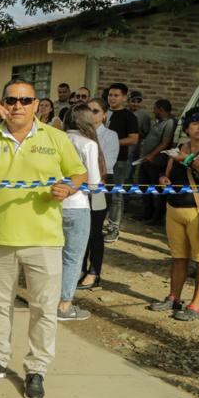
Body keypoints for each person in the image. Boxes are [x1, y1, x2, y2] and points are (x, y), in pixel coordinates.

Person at [0, 78, 87, 398]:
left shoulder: (55, 138)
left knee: (43, 309)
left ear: (37, 105)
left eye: (25, 100)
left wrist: (69, 187)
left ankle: (36, 369)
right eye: (11, 100)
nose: (18, 106)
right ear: (3, 102)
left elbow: (79, 173)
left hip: (44, 239)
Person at [151, 109, 199, 321]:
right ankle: (174, 297)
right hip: (174, 209)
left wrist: (188, 159)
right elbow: (167, 173)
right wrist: (164, 179)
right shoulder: (181, 147)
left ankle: (196, 305)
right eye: (195, 123)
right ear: (186, 128)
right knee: (178, 257)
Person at [58, 104, 104, 321]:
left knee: (52, 256)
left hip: (52, 205)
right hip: (77, 206)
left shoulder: (56, 139)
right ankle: (64, 305)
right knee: (73, 257)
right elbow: (94, 183)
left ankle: (48, 300)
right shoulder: (89, 144)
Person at [78, 98, 118, 290]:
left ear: (104, 115)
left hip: (101, 184)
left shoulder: (110, 135)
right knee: (81, 229)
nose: (91, 114)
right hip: (79, 187)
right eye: (88, 110)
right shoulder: (80, 135)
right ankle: (80, 268)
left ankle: (94, 272)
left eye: (95, 111)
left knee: (95, 230)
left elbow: (107, 164)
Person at [104, 83, 140, 243]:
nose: (112, 98)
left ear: (124, 97)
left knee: (116, 195)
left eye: (116, 95)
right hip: (99, 159)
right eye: (110, 95)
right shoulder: (102, 112)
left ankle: (114, 227)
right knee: (98, 191)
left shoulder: (129, 117)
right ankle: (98, 223)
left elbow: (134, 139)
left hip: (119, 161)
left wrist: (112, 142)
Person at [136, 99, 175, 224]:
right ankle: (147, 213)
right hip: (146, 161)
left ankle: (156, 218)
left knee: (158, 192)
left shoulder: (169, 123)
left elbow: (165, 143)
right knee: (144, 187)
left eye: (155, 108)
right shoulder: (158, 122)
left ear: (161, 110)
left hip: (157, 163)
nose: (153, 111)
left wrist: (152, 155)